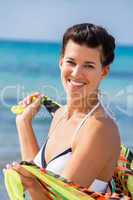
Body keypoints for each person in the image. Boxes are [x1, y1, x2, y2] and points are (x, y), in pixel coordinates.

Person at [6, 23, 121, 199]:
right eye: (71, 62)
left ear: (104, 72)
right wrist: (23, 123)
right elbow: (39, 176)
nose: (76, 73)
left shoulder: (99, 129)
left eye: (88, 66)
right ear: (61, 62)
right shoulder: (60, 115)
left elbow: (52, 195)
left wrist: (30, 184)